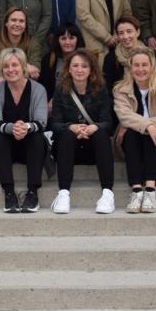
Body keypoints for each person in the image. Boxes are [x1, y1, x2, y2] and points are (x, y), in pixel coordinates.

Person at [48, 49, 116, 214]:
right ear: (69, 69)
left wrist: (95, 127)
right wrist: (71, 127)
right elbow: (54, 124)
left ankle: (107, 193)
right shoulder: (60, 90)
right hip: (68, 149)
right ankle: (63, 193)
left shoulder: (100, 89)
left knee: (101, 133)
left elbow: (109, 123)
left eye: (84, 66)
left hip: (94, 149)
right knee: (65, 134)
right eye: (75, 66)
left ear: (91, 69)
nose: (79, 69)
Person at [113, 49, 156, 213]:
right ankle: (136, 190)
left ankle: (150, 190)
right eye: (136, 65)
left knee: (150, 133)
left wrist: (148, 127)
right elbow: (124, 116)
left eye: (144, 65)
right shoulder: (120, 89)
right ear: (130, 67)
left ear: (152, 67)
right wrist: (149, 126)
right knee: (133, 133)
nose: (140, 69)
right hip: (130, 140)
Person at [0, 48, 50, 213]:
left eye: (15, 65)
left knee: (37, 137)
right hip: (4, 148)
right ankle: (9, 193)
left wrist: (26, 127)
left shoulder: (38, 89)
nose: (10, 69)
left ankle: (32, 193)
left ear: (23, 67)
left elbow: (42, 122)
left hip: (29, 147)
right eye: (6, 66)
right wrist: (12, 128)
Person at [76, 0, 131, 84]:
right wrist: (107, 37)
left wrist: (120, 34)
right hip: (97, 45)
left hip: (119, 43)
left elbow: (127, 13)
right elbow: (83, 16)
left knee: (120, 84)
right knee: (99, 84)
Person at [0, 6, 42, 82]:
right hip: (2, 87)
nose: (17, 24)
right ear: (6, 23)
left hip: (26, 87)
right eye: (13, 20)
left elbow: (35, 73)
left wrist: (6, 72)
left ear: (25, 25)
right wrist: (25, 67)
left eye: (21, 21)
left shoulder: (33, 43)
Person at [39, 21, 83, 99]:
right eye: (63, 38)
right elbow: (43, 86)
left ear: (78, 39)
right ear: (57, 40)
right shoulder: (49, 59)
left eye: (71, 38)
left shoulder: (85, 59)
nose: (67, 42)